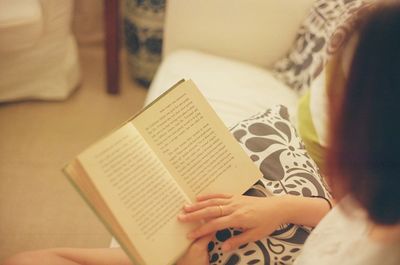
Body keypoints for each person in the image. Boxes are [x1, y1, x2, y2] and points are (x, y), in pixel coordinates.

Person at [3, 1, 400, 265]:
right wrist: (283, 207)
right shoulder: (378, 206)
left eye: (340, 98)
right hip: (269, 217)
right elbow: (351, 217)